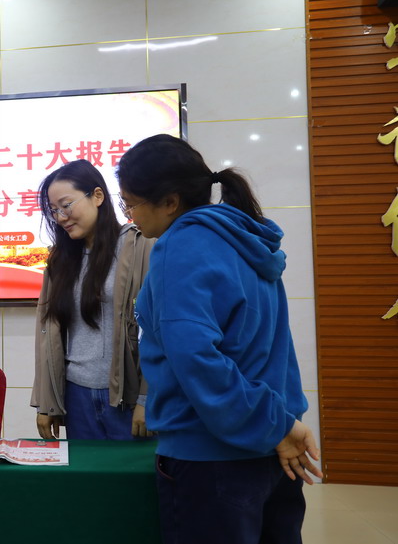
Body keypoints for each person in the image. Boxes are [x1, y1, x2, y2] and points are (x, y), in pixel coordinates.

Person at [116, 134, 323, 544]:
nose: (130, 216)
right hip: (276, 444)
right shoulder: (246, 239)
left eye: (131, 204)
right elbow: (276, 350)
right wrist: (282, 425)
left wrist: (275, 426)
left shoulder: (180, 247)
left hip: (213, 456)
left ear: (170, 202)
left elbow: (198, 360)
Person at [31, 159, 154, 440]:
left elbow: (156, 330)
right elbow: (48, 331)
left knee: (133, 469)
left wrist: (148, 398)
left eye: (66, 205)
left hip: (127, 397)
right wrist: (46, 402)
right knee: (84, 470)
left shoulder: (140, 245)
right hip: (76, 396)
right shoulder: (60, 260)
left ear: (97, 196)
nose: (60, 217)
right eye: (53, 210)